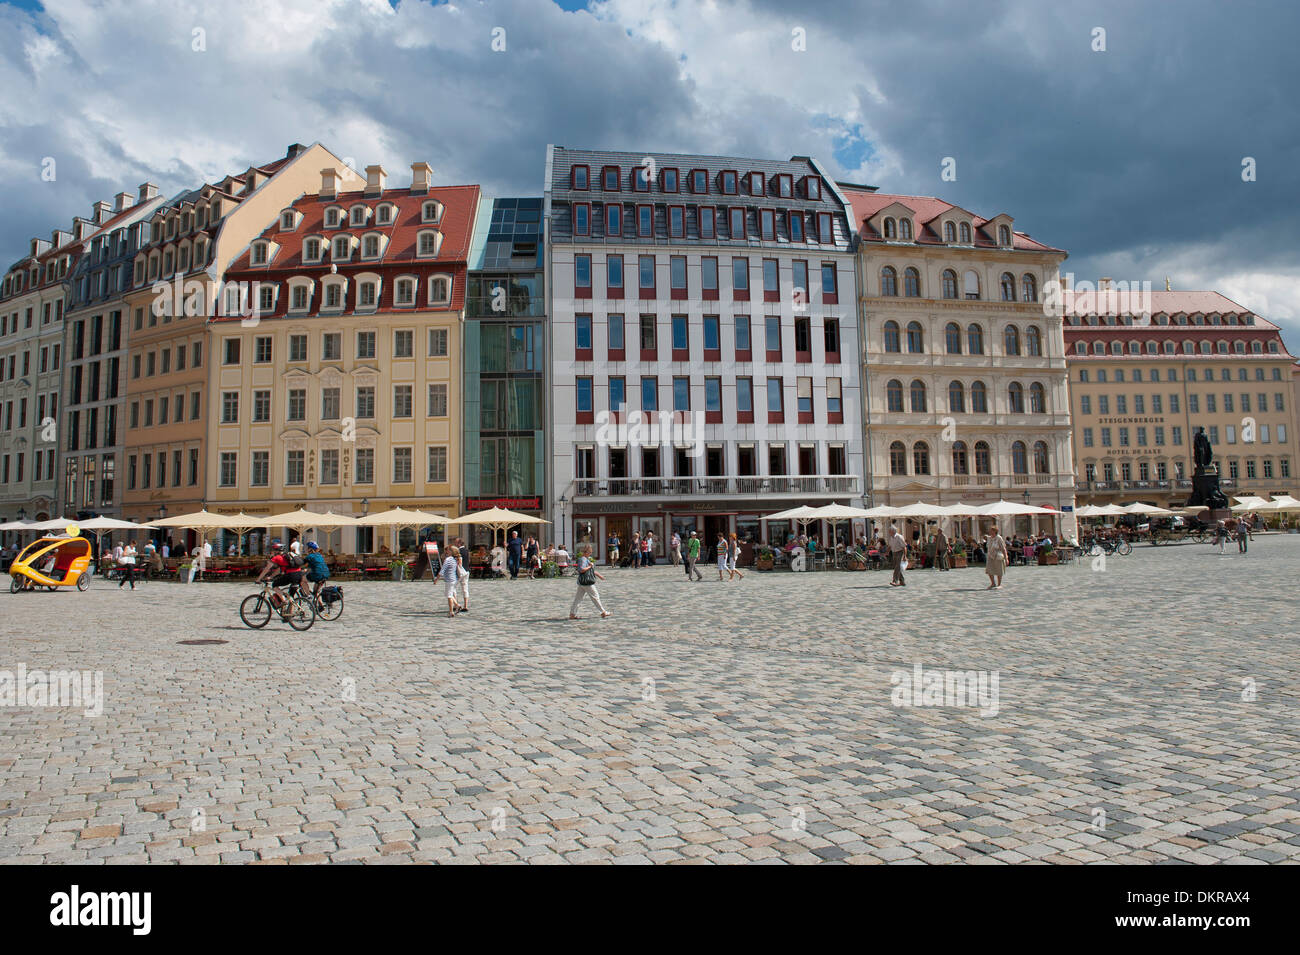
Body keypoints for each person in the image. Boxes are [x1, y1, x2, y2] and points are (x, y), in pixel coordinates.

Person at [257, 541, 303, 608]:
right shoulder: (287, 555)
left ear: (276, 551)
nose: (272, 552)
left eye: (273, 550)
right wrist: (271, 576)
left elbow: (266, 569)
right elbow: (280, 569)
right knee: (291, 596)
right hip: (299, 574)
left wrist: (258, 579)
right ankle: (289, 615)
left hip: (290, 575)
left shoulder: (277, 558)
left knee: (275, 585)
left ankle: (284, 601)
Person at [569, 545, 610, 619]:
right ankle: (603, 612)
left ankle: (572, 614)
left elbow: (590, 571)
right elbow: (582, 570)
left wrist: (599, 575)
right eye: (590, 552)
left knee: (578, 598)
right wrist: (590, 566)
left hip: (582, 582)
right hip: (587, 582)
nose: (590, 554)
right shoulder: (583, 559)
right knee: (595, 596)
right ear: (586, 552)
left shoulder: (585, 559)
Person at [440, 545, 462, 617]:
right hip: (454, 579)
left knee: (449, 595)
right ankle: (457, 605)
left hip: (450, 579)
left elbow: (443, 569)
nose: (446, 551)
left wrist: (437, 578)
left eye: (448, 550)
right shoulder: (454, 559)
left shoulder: (449, 559)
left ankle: (451, 611)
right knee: (450, 593)